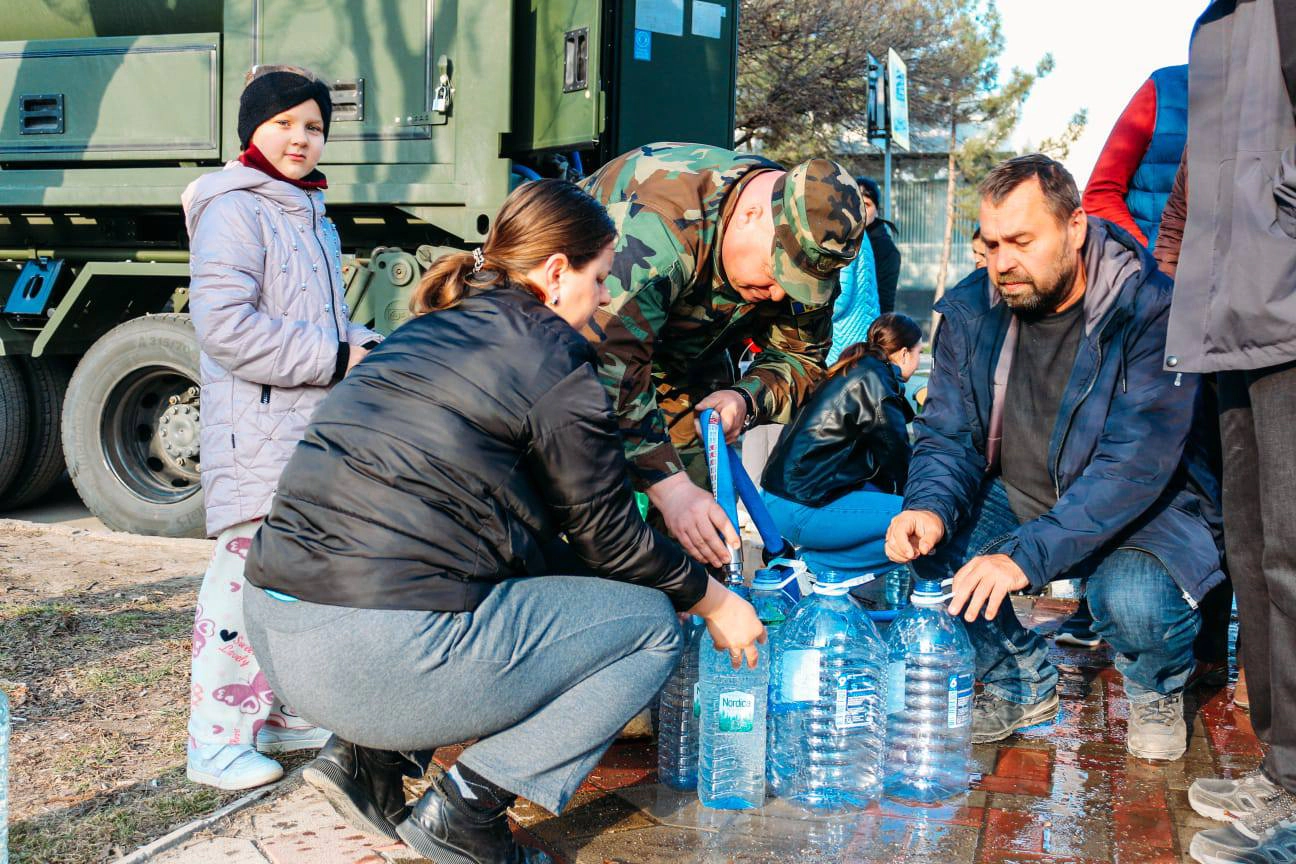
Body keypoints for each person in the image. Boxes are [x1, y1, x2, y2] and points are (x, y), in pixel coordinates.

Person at [239, 179, 766, 864]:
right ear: (555, 273)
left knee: (492, 573)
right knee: (648, 630)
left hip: (279, 635)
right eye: (600, 279)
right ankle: (466, 810)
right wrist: (712, 598)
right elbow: (608, 537)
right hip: (365, 657)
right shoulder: (555, 360)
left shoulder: (424, 332)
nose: (605, 301)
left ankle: (365, 765)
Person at [885, 154, 1222, 764]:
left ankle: (1155, 686)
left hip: (1143, 512)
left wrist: (1025, 557)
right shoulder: (970, 309)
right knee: (931, 553)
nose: (1002, 262)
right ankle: (1021, 681)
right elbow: (948, 434)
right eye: (989, 244)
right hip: (1025, 493)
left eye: (1020, 240)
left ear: (1076, 227)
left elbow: (1133, 466)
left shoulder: (1154, 309)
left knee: (1134, 601)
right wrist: (929, 507)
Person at [183, 65, 382, 790]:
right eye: (283, 124)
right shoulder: (235, 208)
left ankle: (279, 714)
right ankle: (213, 742)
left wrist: (371, 345)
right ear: (251, 131)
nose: (300, 139)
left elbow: (316, 321)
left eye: (314, 127)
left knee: (295, 580)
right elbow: (225, 328)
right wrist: (336, 356)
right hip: (257, 433)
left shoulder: (304, 209)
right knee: (242, 585)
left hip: (304, 430)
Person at [579, 143, 865, 571]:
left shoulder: (808, 242)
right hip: (583, 363)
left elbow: (803, 358)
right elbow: (604, 370)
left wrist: (745, 399)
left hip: (688, 367)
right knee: (587, 519)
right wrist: (667, 485)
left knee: (702, 542)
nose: (781, 295)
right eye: (777, 275)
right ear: (750, 216)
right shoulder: (658, 232)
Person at [1170, 1, 1296, 860]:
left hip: (1287, 300)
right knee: (1255, 553)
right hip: (1232, 315)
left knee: (1294, 553)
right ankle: (1286, 770)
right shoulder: (1217, 21)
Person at [761, 313, 921, 577]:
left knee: (898, 509)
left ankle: (807, 566)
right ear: (904, 354)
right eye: (917, 353)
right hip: (800, 508)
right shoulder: (875, 383)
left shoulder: (856, 368)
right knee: (920, 522)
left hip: (781, 500)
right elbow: (899, 458)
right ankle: (813, 570)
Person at [1082, 64, 1188, 250]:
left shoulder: (1254, 101)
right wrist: (1151, 264)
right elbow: (1100, 195)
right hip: (1159, 270)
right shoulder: (1165, 88)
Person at [857, 176, 902, 314]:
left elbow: (885, 305)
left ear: (877, 210)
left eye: (867, 204)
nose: (860, 210)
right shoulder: (836, 239)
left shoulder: (886, 250)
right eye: (854, 202)